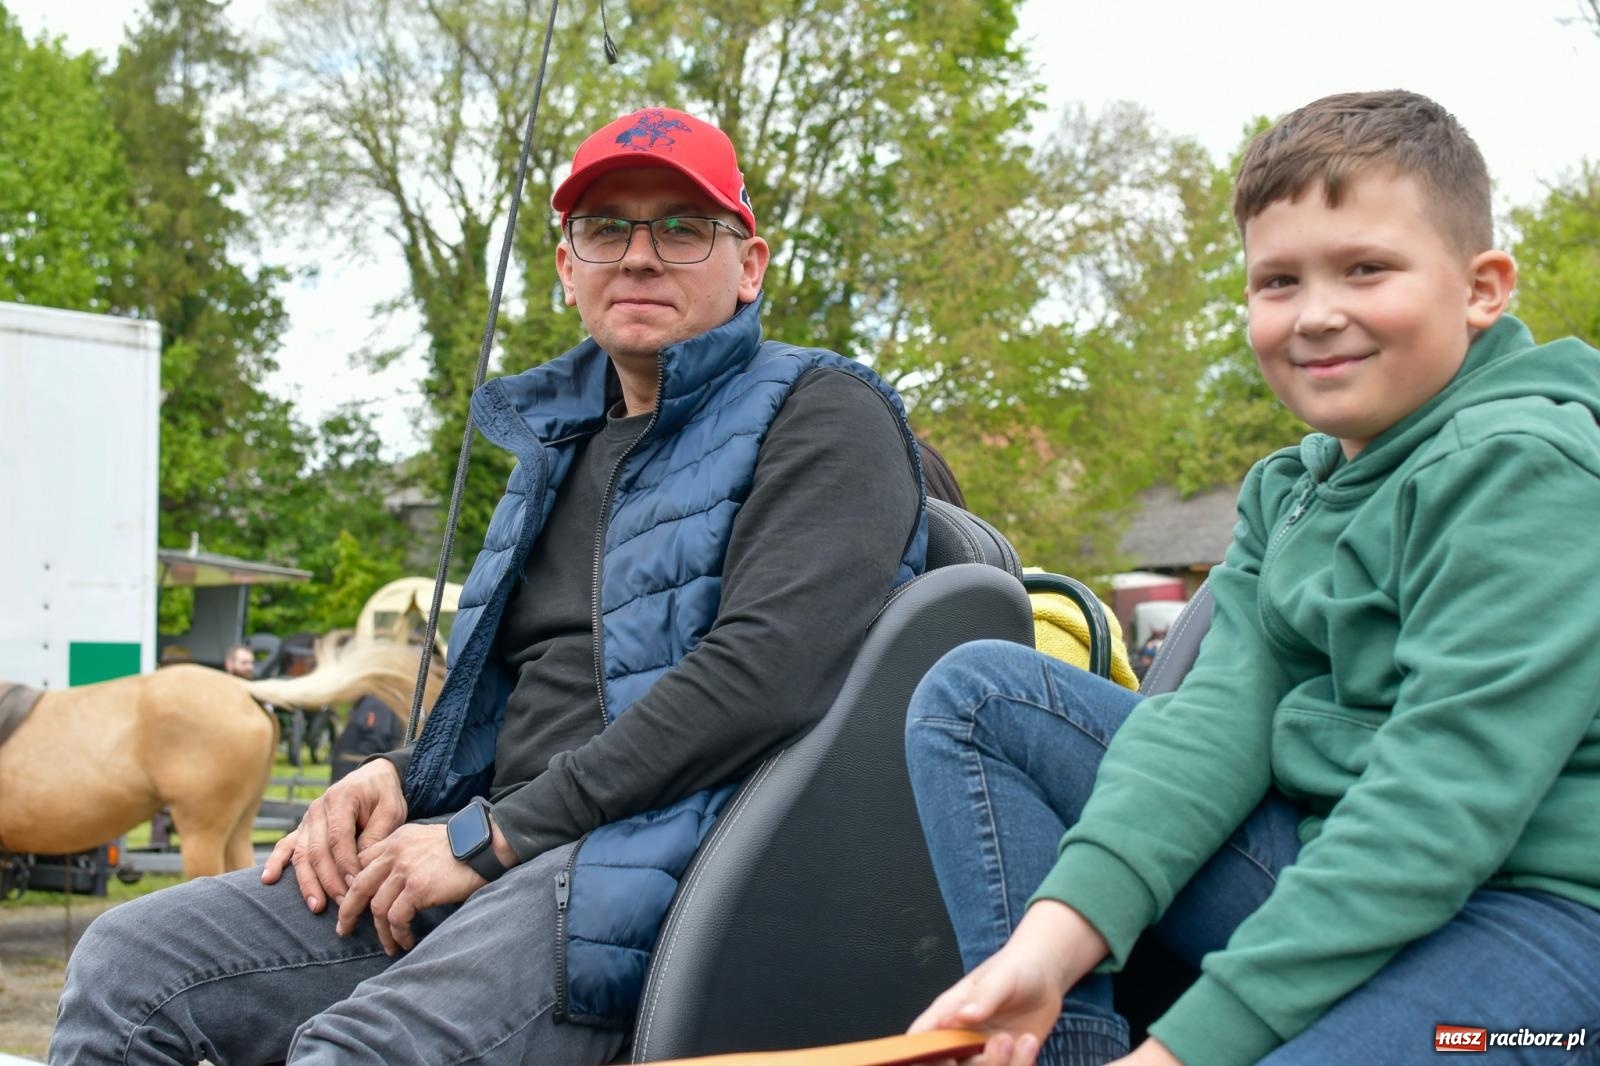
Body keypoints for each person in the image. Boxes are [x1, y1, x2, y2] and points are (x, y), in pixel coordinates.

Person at [53, 106, 927, 1064]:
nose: (640, 256)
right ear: (566, 267)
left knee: (359, 1051)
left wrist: (492, 837)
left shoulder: (824, 411)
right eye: (605, 229)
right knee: (129, 962)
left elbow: (766, 672)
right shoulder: (554, 451)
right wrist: (401, 776)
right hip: (498, 848)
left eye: (683, 228)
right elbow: (512, 702)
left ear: (749, 265)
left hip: (669, 867)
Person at [905, 89, 1600, 1065]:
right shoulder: (1294, 489)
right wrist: (1049, 946)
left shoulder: (1528, 467)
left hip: (1536, 919)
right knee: (982, 695)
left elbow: (1436, 806)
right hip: (1330, 860)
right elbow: (1212, 722)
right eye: (1278, 281)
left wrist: (1187, 1049)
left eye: (1365, 269)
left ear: (1481, 288)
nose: (1317, 315)